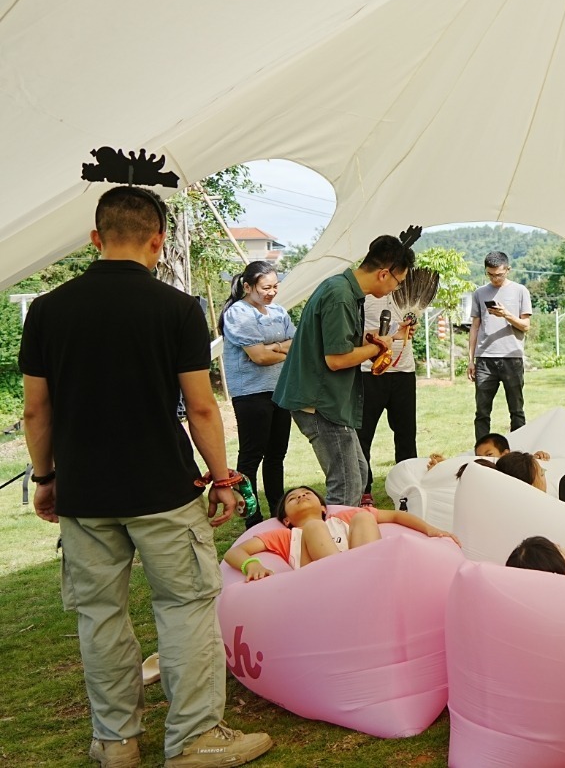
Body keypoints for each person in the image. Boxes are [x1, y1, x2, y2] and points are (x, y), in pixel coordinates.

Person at [19, 186, 273, 768]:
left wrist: (46, 476)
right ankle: (194, 738)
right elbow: (202, 406)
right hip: (164, 488)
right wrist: (222, 478)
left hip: (84, 492)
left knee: (99, 616)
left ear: (95, 238)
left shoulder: (48, 311)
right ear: (158, 241)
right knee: (185, 608)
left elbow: (36, 410)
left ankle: (115, 742)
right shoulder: (178, 308)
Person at [273, 236, 414, 507]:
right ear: (384, 273)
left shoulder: (342, 289)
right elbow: (336, 359)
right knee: (346, 485)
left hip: (327, 402)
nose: (396, 289)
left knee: (358, 474)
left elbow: (343, 338)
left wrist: (390, 336)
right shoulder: (341, 296)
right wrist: (377, 348)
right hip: (319, 403)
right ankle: (334, 532)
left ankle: (344, 528)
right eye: (399, 282)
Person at [223, 485, 459, 578]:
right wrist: (251, 565)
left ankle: (370, 573)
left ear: (323, 508)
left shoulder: (343, 518)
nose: (301, 496)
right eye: (293, 498)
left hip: (366, 570)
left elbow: (396, 515)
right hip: (323, 582)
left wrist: (430, 529)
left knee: (364, 516)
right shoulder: (285, 536)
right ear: (286, 520)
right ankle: (346, 574)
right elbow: (234, 552)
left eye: (307, 493)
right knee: (314, 527)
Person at [218, 260, 295, 526]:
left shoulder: (278, 311)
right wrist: (280, 348)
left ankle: (278, 510)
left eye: (275, 286)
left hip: (280, 390)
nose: (272, 292)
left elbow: (296, 343)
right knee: (251, 457)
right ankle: (252, 517)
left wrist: (272, 348)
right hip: (251, 394)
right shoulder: (238, 313)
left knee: (276, 456)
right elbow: (259, 357)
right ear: (248, 286)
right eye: (266, 288)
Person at [357, 292, 418, 503]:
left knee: (406, 435)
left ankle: (408, 486)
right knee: (363, 435)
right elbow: (354, 334)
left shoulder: (408, 293)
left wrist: (412, 327)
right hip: (368, 371)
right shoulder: (363, 296)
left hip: (404, 372)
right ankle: (363, 489)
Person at [468, 251, 532, 442]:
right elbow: (475, 327)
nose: (495, 278)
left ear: (508, 270)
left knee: (516, 410)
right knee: (482, 412)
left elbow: (525, 326)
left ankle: (519, 450)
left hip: (512, 357)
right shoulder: (479, 293)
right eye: (490, 274)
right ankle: (482, 452)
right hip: (484, 359)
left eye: (499, 274)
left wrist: (506, 314)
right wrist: (471, 360)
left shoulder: (520, 291)